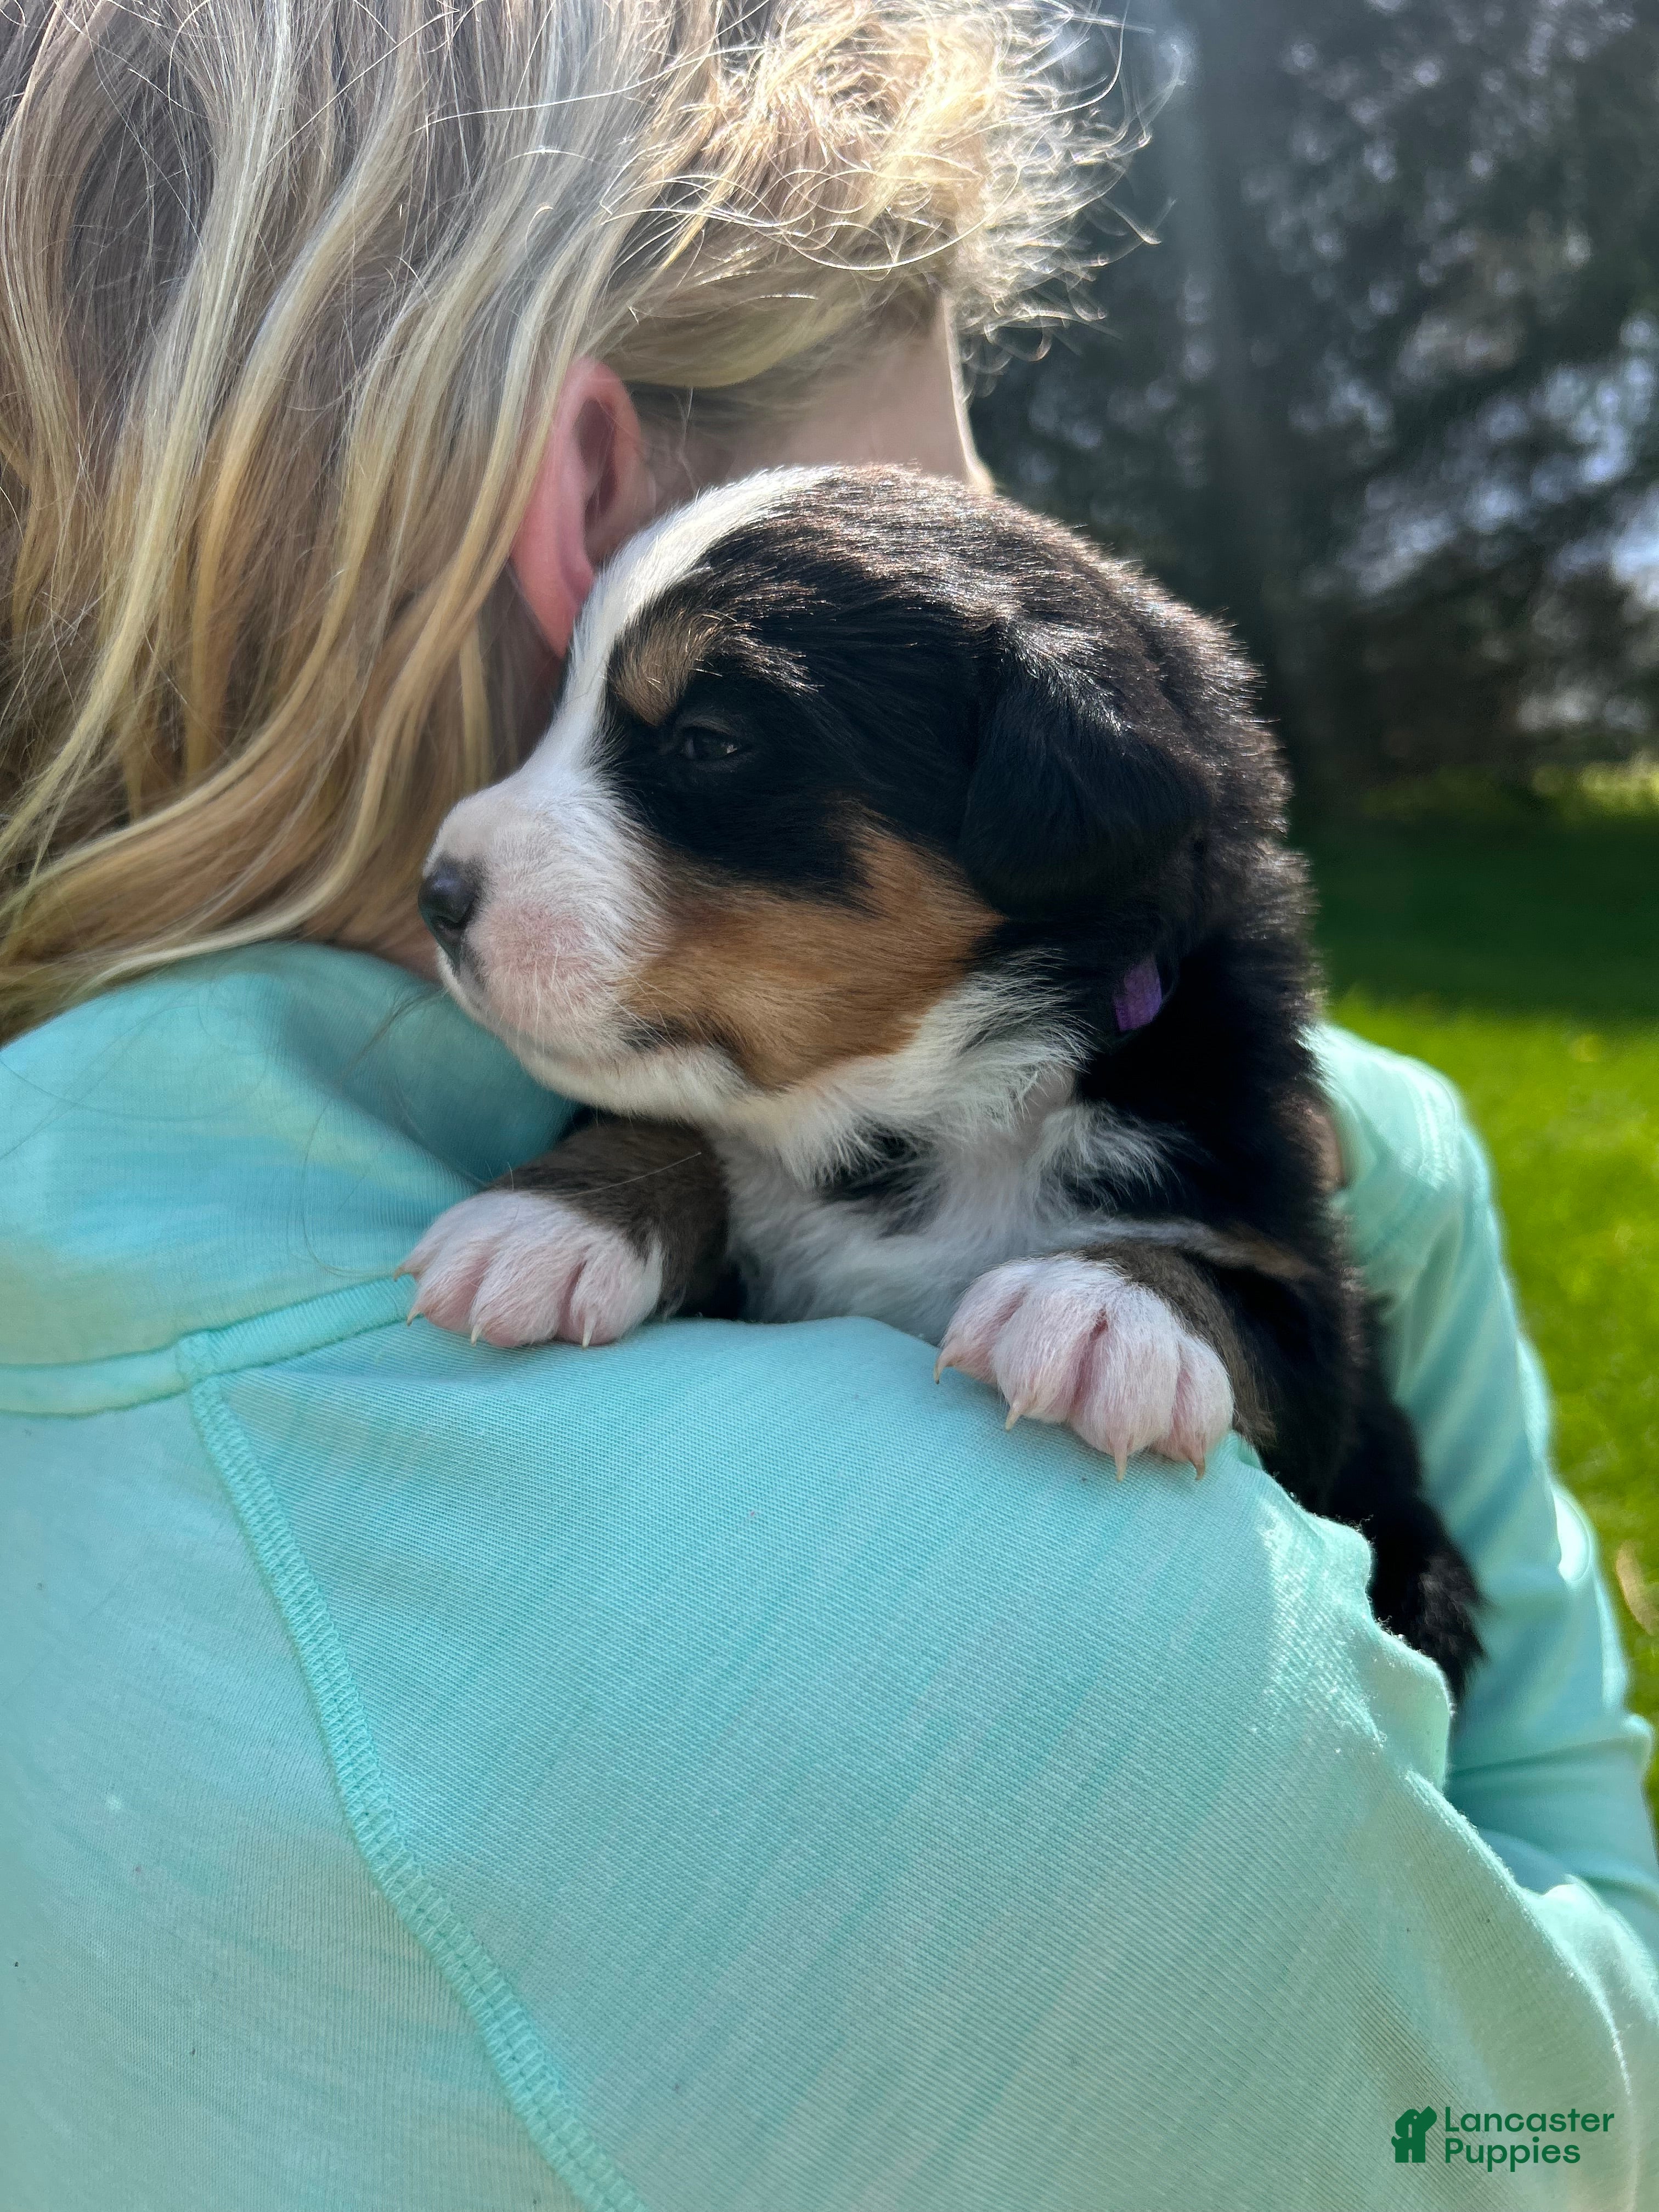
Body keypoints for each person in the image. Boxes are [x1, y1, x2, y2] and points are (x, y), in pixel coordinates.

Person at [2, 3, 1656, 2207]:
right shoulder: (1068, 1662)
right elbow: (1559, 2126)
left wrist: (1237, 1281)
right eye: (962, 476)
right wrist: (1546, 1734)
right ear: (589, 498)